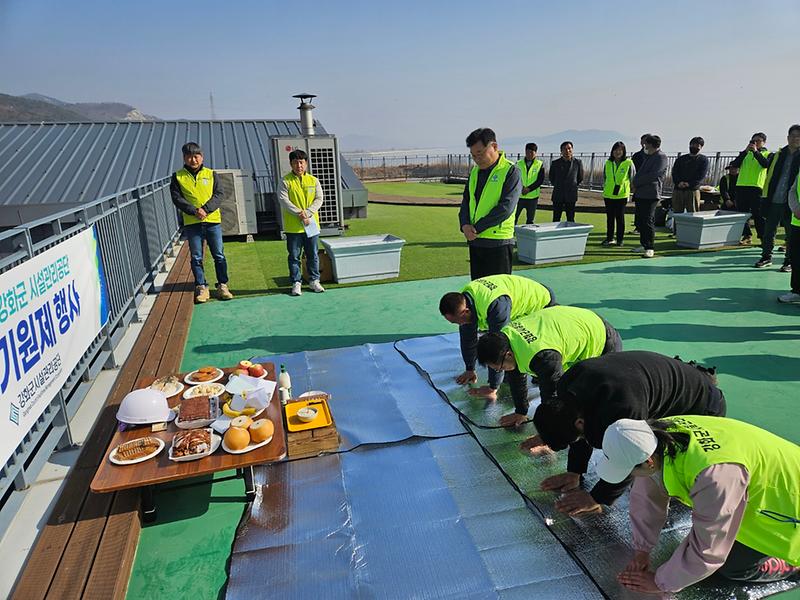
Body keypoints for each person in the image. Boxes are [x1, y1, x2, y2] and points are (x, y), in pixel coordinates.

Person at [599, 417, 800, 594]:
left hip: (787, 505)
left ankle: (793, 567)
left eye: (630, 472)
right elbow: (647, 494)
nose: (631, 477)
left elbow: (709, 549)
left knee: (735, 567)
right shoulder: (656, 436)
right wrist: (642, 549)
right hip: (753, 485)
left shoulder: (714, 477)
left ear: (649, 462)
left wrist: (661, 582)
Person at [529, 351, 727, 517]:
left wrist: (597, 498)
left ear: (580, 422)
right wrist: (575, 471)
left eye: (577, 436)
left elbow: (631, 454)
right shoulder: (568, 388)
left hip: (702, 406)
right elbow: (579, 432)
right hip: (665, 386)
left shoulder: (623, 407)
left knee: (670, 481)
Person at [476, 306, 621, 429]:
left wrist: (547, 435)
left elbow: (552, 397)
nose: (500, 371)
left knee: (593, 403)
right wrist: (521, 411)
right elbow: (516, 376)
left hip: (601, 337)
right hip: (574, 323)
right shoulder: (507, 337)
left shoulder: (543, 357)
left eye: (500, 368)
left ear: (508, 354)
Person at [439, 275, 556, 402]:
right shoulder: (464, 302)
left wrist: (493, 387)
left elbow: (497, 348)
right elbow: (468, 339)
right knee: (508, 365)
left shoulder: (495, 306)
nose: (459, 324)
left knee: (532, 351)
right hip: (514, 302)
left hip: (541, 301)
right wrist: (469, 368)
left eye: (457, 321)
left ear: (465, 311)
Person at [170, 142, 233, 304]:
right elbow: (177, 198)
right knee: (196, 257)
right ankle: (202, 287)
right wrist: (194, 211)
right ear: (184, 158)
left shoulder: (211, 174)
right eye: (189, 157)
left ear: (202, 157)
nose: (193, 160)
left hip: (212, 220)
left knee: (219, 255)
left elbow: (219, 194)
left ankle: (223, 285)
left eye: (196, 156)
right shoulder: (178, 176)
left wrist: (205, 209)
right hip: (192, 222)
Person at [459, 128, 521, 280]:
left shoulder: (511, 171)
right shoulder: (474, 172)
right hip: (476, 241)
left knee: (499, 290)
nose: (477, 159)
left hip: (499, 242)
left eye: (480, 153)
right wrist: (464, 225)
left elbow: (506, 208)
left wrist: (476, 228)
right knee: (478, 288)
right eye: (473, 155)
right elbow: (466, 201)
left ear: (494, 146)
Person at [278, 149, 325, 296]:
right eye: (295, 162)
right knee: (294, 256)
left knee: (313, 254)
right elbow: (283, 200)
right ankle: (296, 282)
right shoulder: (285, 181)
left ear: (306, 163)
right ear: (291, 164)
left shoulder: (313, 180)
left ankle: (314, 280)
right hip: (293, 227)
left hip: (311, 224)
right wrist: (299, 213)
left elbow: (319, 198)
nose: (299, 165)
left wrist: (308, 212)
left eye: (301, 162)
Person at [755, 125, 800, 271]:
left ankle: (789, 261)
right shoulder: (778, 155)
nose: (796, 138)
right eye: (793, 135)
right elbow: (769, 176)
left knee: (791, 234)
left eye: (799, 136)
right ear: (788, 138)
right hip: (774, 198)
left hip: (793, 202)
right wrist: (765, 197)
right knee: (769, 231)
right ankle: (766, 257)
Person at [630, 134, 668, 258]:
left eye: (645, 143)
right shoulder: (648, 156)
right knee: (641, 220)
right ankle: (644, 244)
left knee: (648, 220)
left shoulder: (661, 157)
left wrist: (636, 182)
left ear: (650, 144)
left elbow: (653, 175)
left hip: (651, 193)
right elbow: (641, 172)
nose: (644, 145)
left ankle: (650, 247)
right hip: (641, 193)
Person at [730, 132, 771, 245]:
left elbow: (765, 164)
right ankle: (747, 235)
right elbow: (735, 164)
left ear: (764, 142)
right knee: (742, 214)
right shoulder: (745, 154)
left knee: (758, 214)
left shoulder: (767, 154)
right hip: (742, 186)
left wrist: (756, 152)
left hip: (757, 187)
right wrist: (745, 152)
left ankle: (762, 237)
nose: (755, 143)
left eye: (758, 141)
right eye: (753, 141)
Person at [601, 141, 635, 246]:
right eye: (615, 150)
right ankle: (610, 238)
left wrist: (632, 191)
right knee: (610, 218)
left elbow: (633, 178)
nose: (617, 152)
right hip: (608, 194)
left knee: (620, 218)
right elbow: (604, 177)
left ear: (624, 151)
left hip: (621, 195)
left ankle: (620, 240)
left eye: (620, 150)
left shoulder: (628, 163)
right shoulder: (608, 163)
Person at [670, 137, 709, 216]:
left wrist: (689, 184)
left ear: (701, 147)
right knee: (677, 213)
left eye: (697, 145)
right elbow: (675, 172)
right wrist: (678, 183)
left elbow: (701, 175)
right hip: (678, 189)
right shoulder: (681, 159)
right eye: (692, 144)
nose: (694, 147)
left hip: (692, 190)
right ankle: (676, 225)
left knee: (693, 213)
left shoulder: (703, 160)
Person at [777, 172, 800, 303]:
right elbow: (793, 190)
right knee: (796, 258)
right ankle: (796, 291)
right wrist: (796, 208)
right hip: (797, 223)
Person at [548, 141, 584, 222]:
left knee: (570, 218)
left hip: (571, 195)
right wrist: (559, 185)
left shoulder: (578, 163)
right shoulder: (555, 163)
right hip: (558, 194)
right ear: (561, 151)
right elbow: (551, 178)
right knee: (556, 218)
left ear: (572, 150)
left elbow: (580, 178)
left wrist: (572, 185)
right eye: (564, 149)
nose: (567, 151)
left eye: (569, 148)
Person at [515, 143, 544, 225]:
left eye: (532, 152)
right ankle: (512, 232)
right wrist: (522, 188)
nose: (529, 154)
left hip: (532, 197)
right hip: (519, 196)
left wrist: (529, 189)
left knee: (530, 221)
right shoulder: (518, 163)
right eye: (527, 152)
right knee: (514, 218)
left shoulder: (540, 164)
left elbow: (540, 180)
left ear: (535, 152)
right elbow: (515, 178)